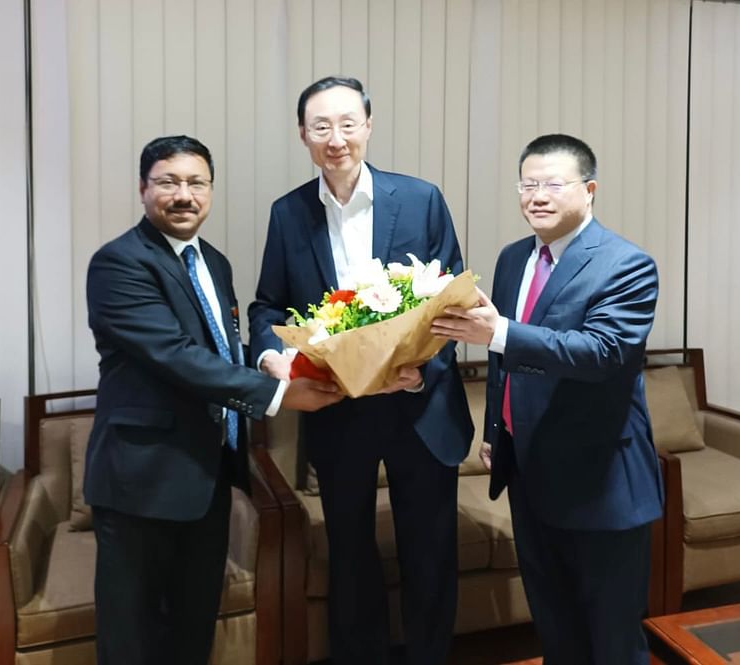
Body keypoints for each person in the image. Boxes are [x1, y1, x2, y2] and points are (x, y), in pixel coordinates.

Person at [84, 135, 343, 665]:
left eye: (196, 183)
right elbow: (176, 356)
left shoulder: (213, 262)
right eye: (168, 182)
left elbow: (221, 350)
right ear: (143, 189)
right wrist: (278, 394)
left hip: (207, 477)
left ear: (211, 190)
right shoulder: (120, 263)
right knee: (132, 637)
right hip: (142, 482)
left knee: (192, 626)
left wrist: (278, 360)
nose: (184, 195)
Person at [248, 77, 473, 665]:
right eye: (321, 126)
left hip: (419, 406)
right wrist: (271, 356)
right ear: (303, 135)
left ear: (369, 125)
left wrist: (420, 366)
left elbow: (453, 298)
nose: (336, 138)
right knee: (349, 553)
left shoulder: (420, 199)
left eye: (348, 123)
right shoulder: (289, 213)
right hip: (336, 407)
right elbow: (267, 304)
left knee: (429, 551)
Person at [432, 133, 663, 665]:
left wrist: (500, 333)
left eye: (553, 184)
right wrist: (496, 431)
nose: (537, 195)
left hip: (600, 481)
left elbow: (602, 352)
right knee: (555, 629)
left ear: (589, 190)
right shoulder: (515, 258)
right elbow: (502, 360)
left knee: (611, 639)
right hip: (529, 473)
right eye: (528, 184)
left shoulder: (626, 264)